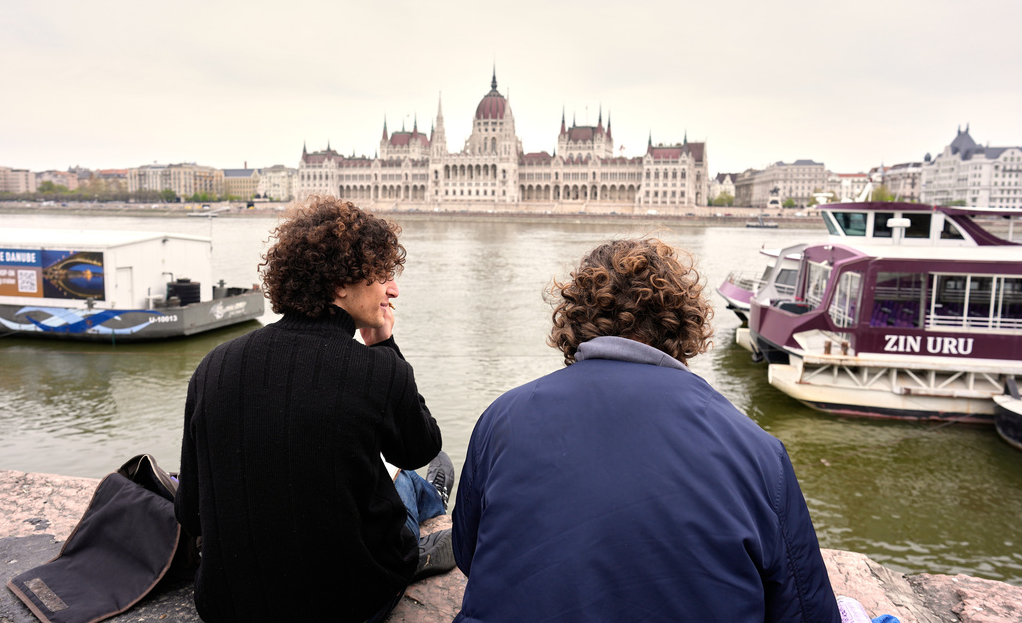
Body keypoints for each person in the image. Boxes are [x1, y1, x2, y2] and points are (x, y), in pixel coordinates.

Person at [452, 238, 841, 622]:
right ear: (683, 325)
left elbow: (468, 553)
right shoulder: (755, 450)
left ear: (575, 319)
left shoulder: (501, 418)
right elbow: (806, 609)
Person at [175, 196, 455, 623]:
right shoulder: (377, 371)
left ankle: (424, 494)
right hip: (349, 602)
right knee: (425, 472)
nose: (392, 290)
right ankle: (426, 513)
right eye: (382, 276)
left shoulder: (214, 364)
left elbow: (190, 509)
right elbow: (420, 446)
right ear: (341, 285)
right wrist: (383, 344)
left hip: (227, 604)